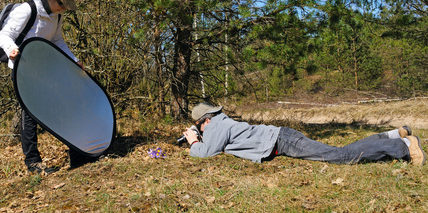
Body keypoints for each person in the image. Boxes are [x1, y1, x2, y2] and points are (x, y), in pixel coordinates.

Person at [0, 0, 94, 174]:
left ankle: (77, 154)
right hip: (22, 68)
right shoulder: (27, 10)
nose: (64, 8)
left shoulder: (56, 15)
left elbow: (57, 40)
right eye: (61, 3)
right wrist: (12, 50)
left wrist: (73, 61)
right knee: (30, 113)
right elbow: (4, 35)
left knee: (64, 105)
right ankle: (33, 163)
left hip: (45, 68)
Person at [183, 102, 426, 166]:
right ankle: (393, 135)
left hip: (284, 140)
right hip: (282, 137)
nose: (201, 129)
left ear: (205, 120)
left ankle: (405, 147)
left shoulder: (217, 126)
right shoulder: (222, 123)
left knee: (340, 156)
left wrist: (194, 141)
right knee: (339, 152)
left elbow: (205, 152)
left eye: (199, 125)